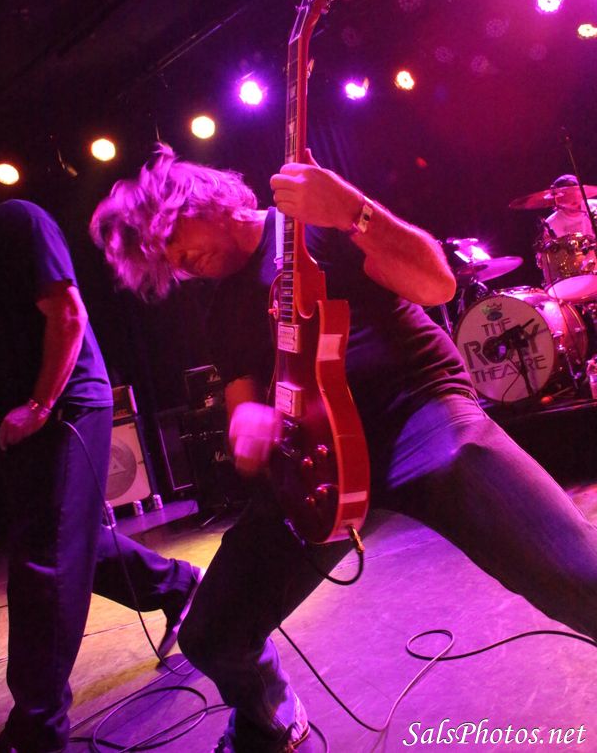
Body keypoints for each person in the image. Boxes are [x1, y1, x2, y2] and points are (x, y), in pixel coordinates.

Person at [91, 144, 597, 753]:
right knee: (209, 633)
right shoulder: (215, 298)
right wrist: (245, 420)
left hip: (417, 413)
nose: (178, 263)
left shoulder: (312, 221)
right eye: (165, 263)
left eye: (172, 241)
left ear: (198, 201)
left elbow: (437, 284)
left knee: (574, 570)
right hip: (318, 464)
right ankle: (270, 719)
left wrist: (354, 212)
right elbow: (240, 388)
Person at [0, 199, 201, 753]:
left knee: (43, 560)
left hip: (66, 404)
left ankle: (37, 729)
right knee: (69, 539)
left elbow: (68, 316)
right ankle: (179, 586)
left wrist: (39, 406)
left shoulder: (17, 221)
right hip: (25, 416)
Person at [544, 173, 597, 239]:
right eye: (567, 194)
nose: (573, 197)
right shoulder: (551, 223)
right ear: (557, 199)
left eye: (575, 192)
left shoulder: (595, 206)